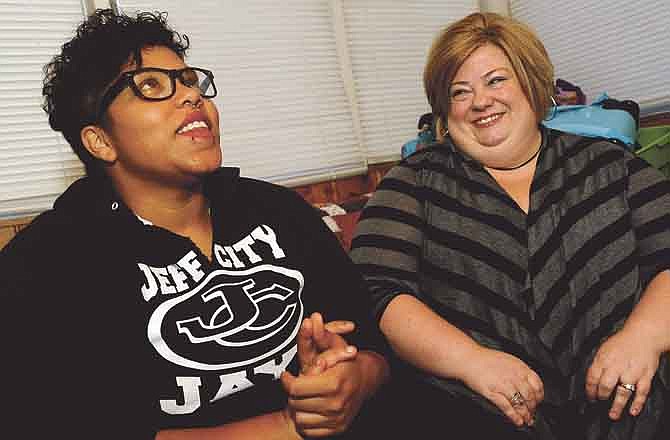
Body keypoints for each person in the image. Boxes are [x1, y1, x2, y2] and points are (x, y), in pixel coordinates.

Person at [0, 9, 389, 439]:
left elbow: (374, 344)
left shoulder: (280, 212)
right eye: (150, 85)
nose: (190, 96)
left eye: (188, 80)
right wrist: (285, 426)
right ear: (101, 141)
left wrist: (355, 379)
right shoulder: (46, 266)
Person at [350, 12, 670, 440]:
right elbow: (377, 291)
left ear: (531, 83)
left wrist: (644, 336)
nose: (480, 102)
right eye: (459, 92)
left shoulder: (610, 165)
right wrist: (471, 361)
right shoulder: (412, 182)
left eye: (496, 81)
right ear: (445, 109)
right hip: (477, 409)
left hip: (632, 398)